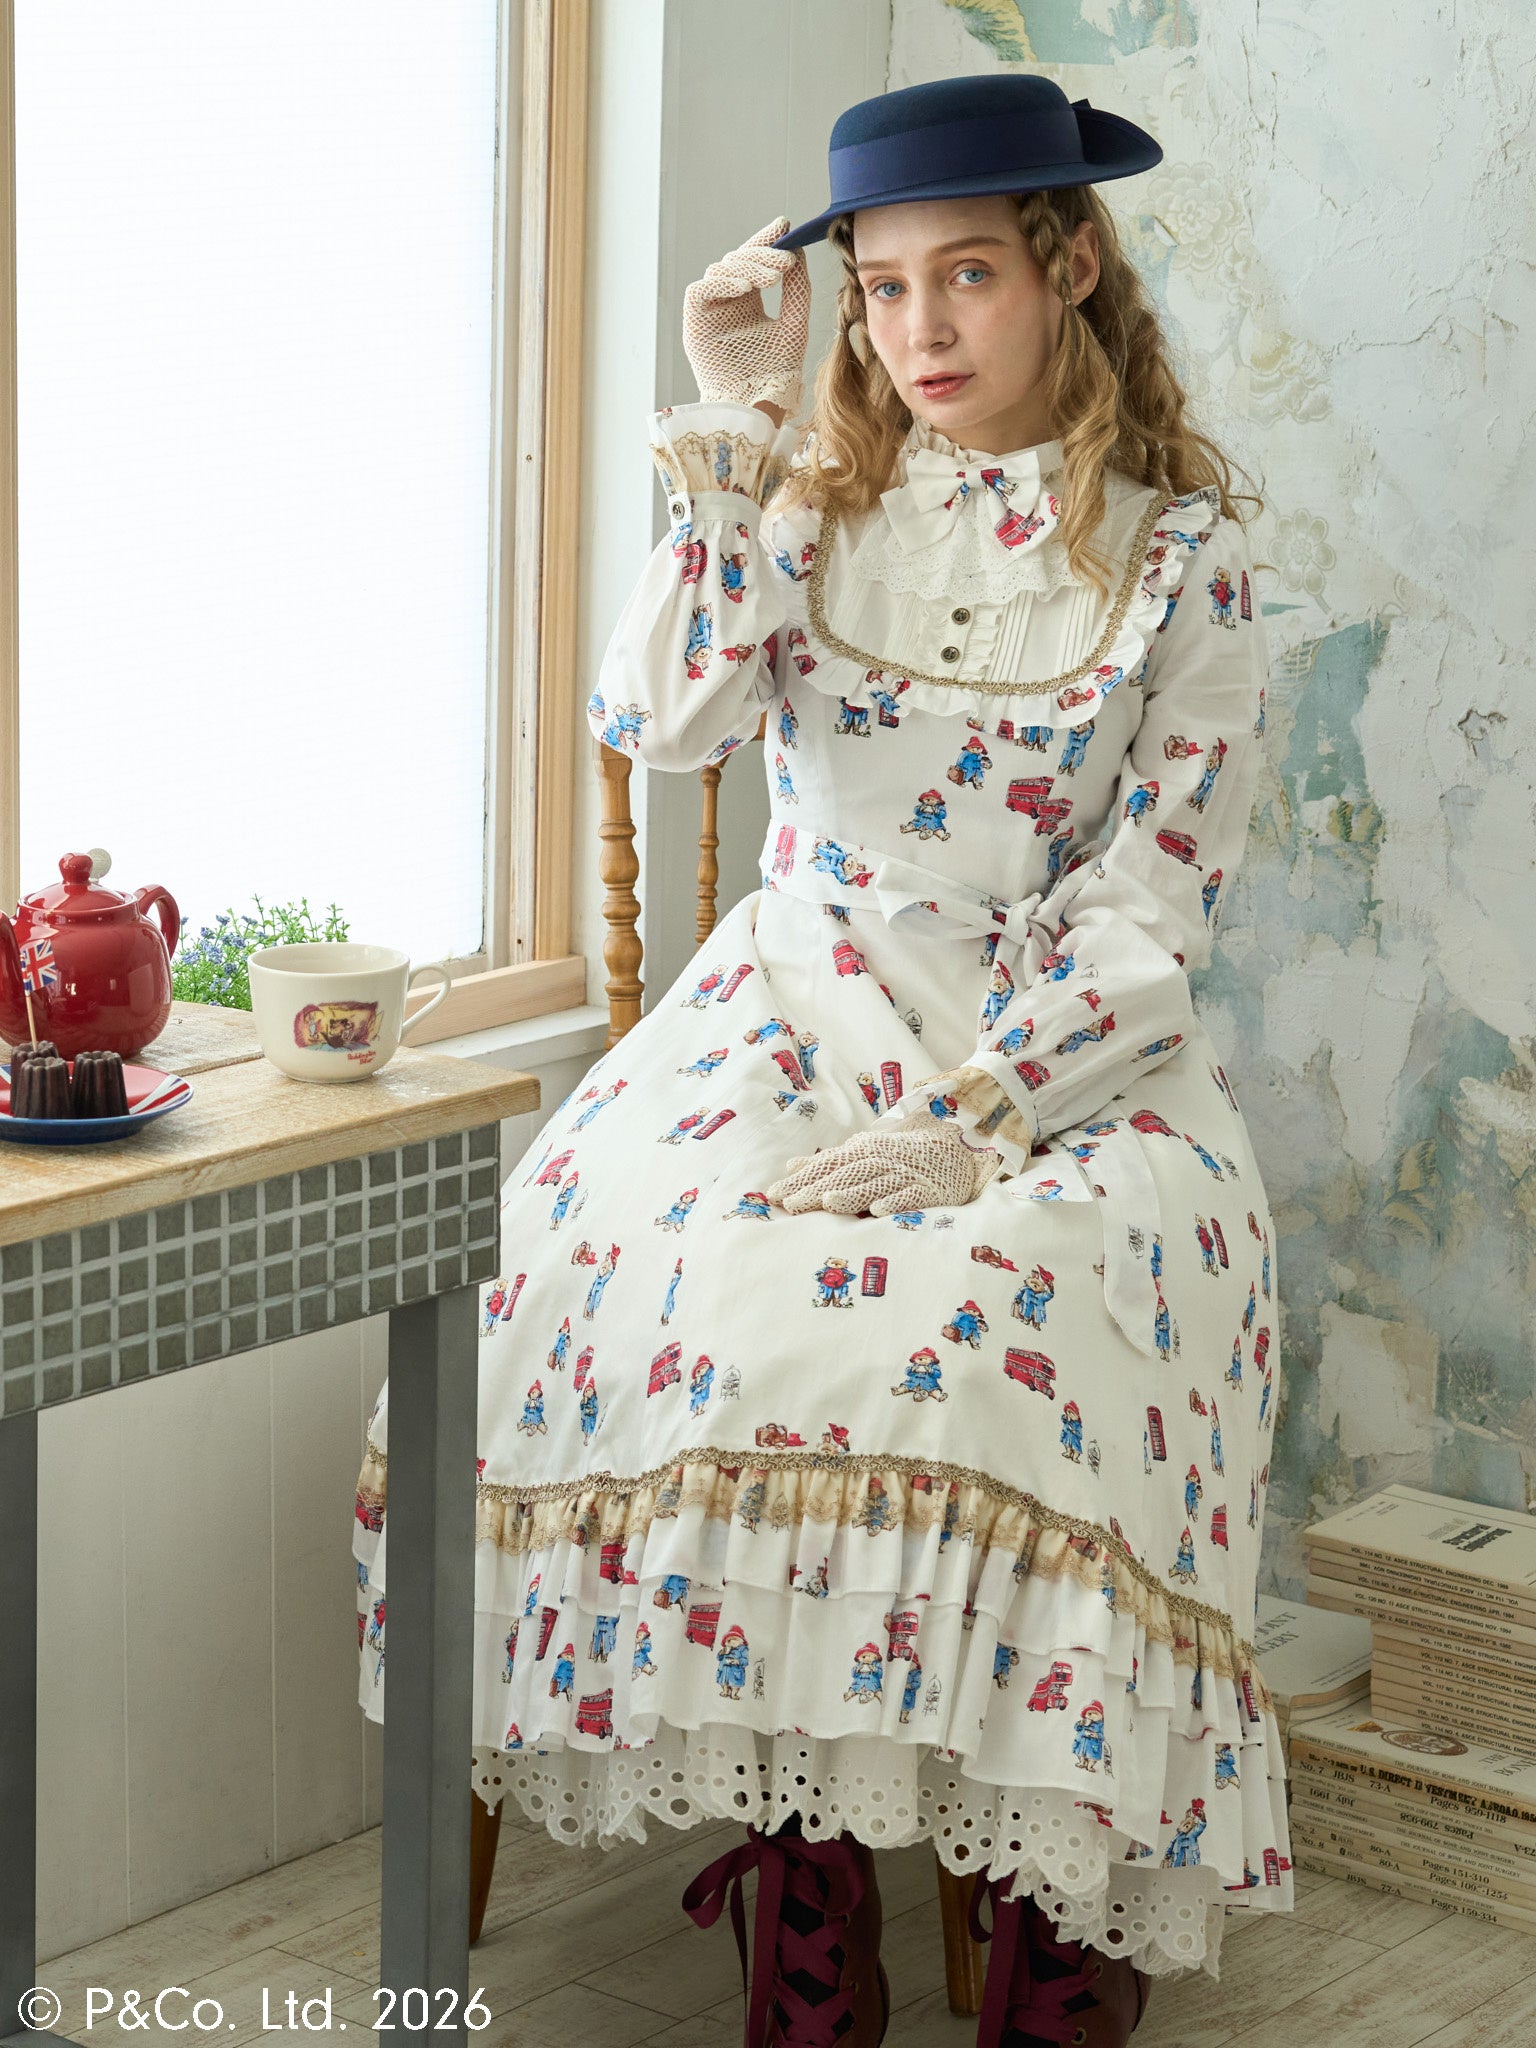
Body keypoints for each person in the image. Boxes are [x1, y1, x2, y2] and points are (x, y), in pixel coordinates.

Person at [353, 71, 1295, 2048]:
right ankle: (808, 1910)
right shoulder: (805, 505)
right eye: (882, 286)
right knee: (660, 1289)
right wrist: (739, 435)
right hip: (783, 1012)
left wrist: (982, 1119)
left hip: (1062, 1053)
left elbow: (1157, 901)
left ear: (1069, 266)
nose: (920, 327)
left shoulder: (1179, 559)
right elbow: (658, 722)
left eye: (968, 274)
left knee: (1002, 1332)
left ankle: (1054, 1923)